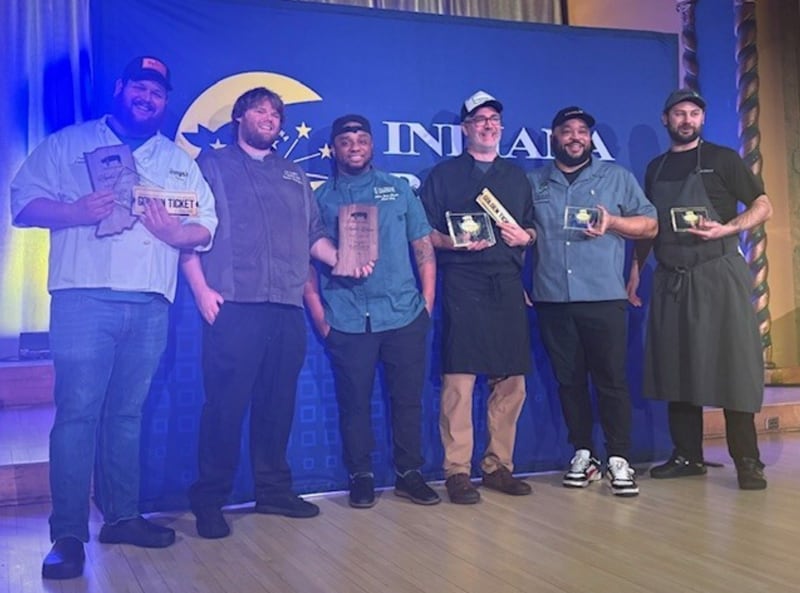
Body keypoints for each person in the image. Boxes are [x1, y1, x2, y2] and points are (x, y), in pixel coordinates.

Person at [10, 56, 218, 580]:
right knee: (77, 414)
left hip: (151, 301)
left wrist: (177, 234)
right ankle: (68, 534)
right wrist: (76, 212)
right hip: (84, 297)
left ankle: (123, 516)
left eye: (158, 93)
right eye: (141, 88)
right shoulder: (68, 143)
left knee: (126, 415)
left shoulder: (177, 159)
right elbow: (22, 204)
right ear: (121, 87)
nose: (149, 98)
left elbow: (206, 227)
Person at [181, 88, 372, 539]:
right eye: (259, 110)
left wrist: (346, 258)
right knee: (225, 408)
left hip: (285, 307)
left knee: (277, 405)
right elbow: (190, 230)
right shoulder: (211, 165)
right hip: (233, 304)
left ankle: (272, 490)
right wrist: (201, 291)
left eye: (275, 113)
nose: (269, 117)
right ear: (239, 117)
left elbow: (314, 239)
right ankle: (210, 499)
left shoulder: (294, 174)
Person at [627, 89, 772, 490]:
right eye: (679, 113)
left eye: (693, 113)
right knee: (678, 365)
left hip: (717, 273)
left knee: (733, 366)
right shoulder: (655, 169)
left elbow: (763, 205)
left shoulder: (723, 159)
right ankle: (687, 455)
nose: (686, 119)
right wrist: (636, 270)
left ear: (702, 120)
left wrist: (728, 228)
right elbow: (650, 226)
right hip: (672, 277)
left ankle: (747, 460)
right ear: (665, 119)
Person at [303, 114, 440, 508]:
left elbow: (423, 246)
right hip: (346, 315)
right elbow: (307, 260)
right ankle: (360, 475)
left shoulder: (397, 190)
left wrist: (427, 305)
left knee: (408, 400)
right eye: (346, 140)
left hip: (403, 313)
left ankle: (409, 473)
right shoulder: (321, 198)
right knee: (354, 402)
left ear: (372, 144)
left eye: (362, 138)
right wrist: (318, 314)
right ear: (334, 148)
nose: (355, 146)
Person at [527, 106, 657, 497]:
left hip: (603, 298)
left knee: (612, 381)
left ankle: (619, 458)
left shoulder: (616, 177)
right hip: (552, 299)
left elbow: (650, 223)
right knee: (568, 383)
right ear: (555, 137)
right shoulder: (536, 183)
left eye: (582, 131)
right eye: (567, 130)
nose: (575, 137)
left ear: (590, 138)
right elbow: (523, 233)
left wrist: (614, 223)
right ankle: (583, 453)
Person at [420, 90, 536, 504]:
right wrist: (451, 242)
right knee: (460, 380)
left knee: (510, 381)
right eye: (479, 119)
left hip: (506, 284)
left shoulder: (517, 177)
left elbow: (532, 228)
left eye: (494, 120)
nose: (488, 125)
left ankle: (498, 466)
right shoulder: (444, 176)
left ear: (501, 128)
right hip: (462, 284)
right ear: (465, 128)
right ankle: (456, 471)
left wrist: (527, 236)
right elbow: (425, 233)